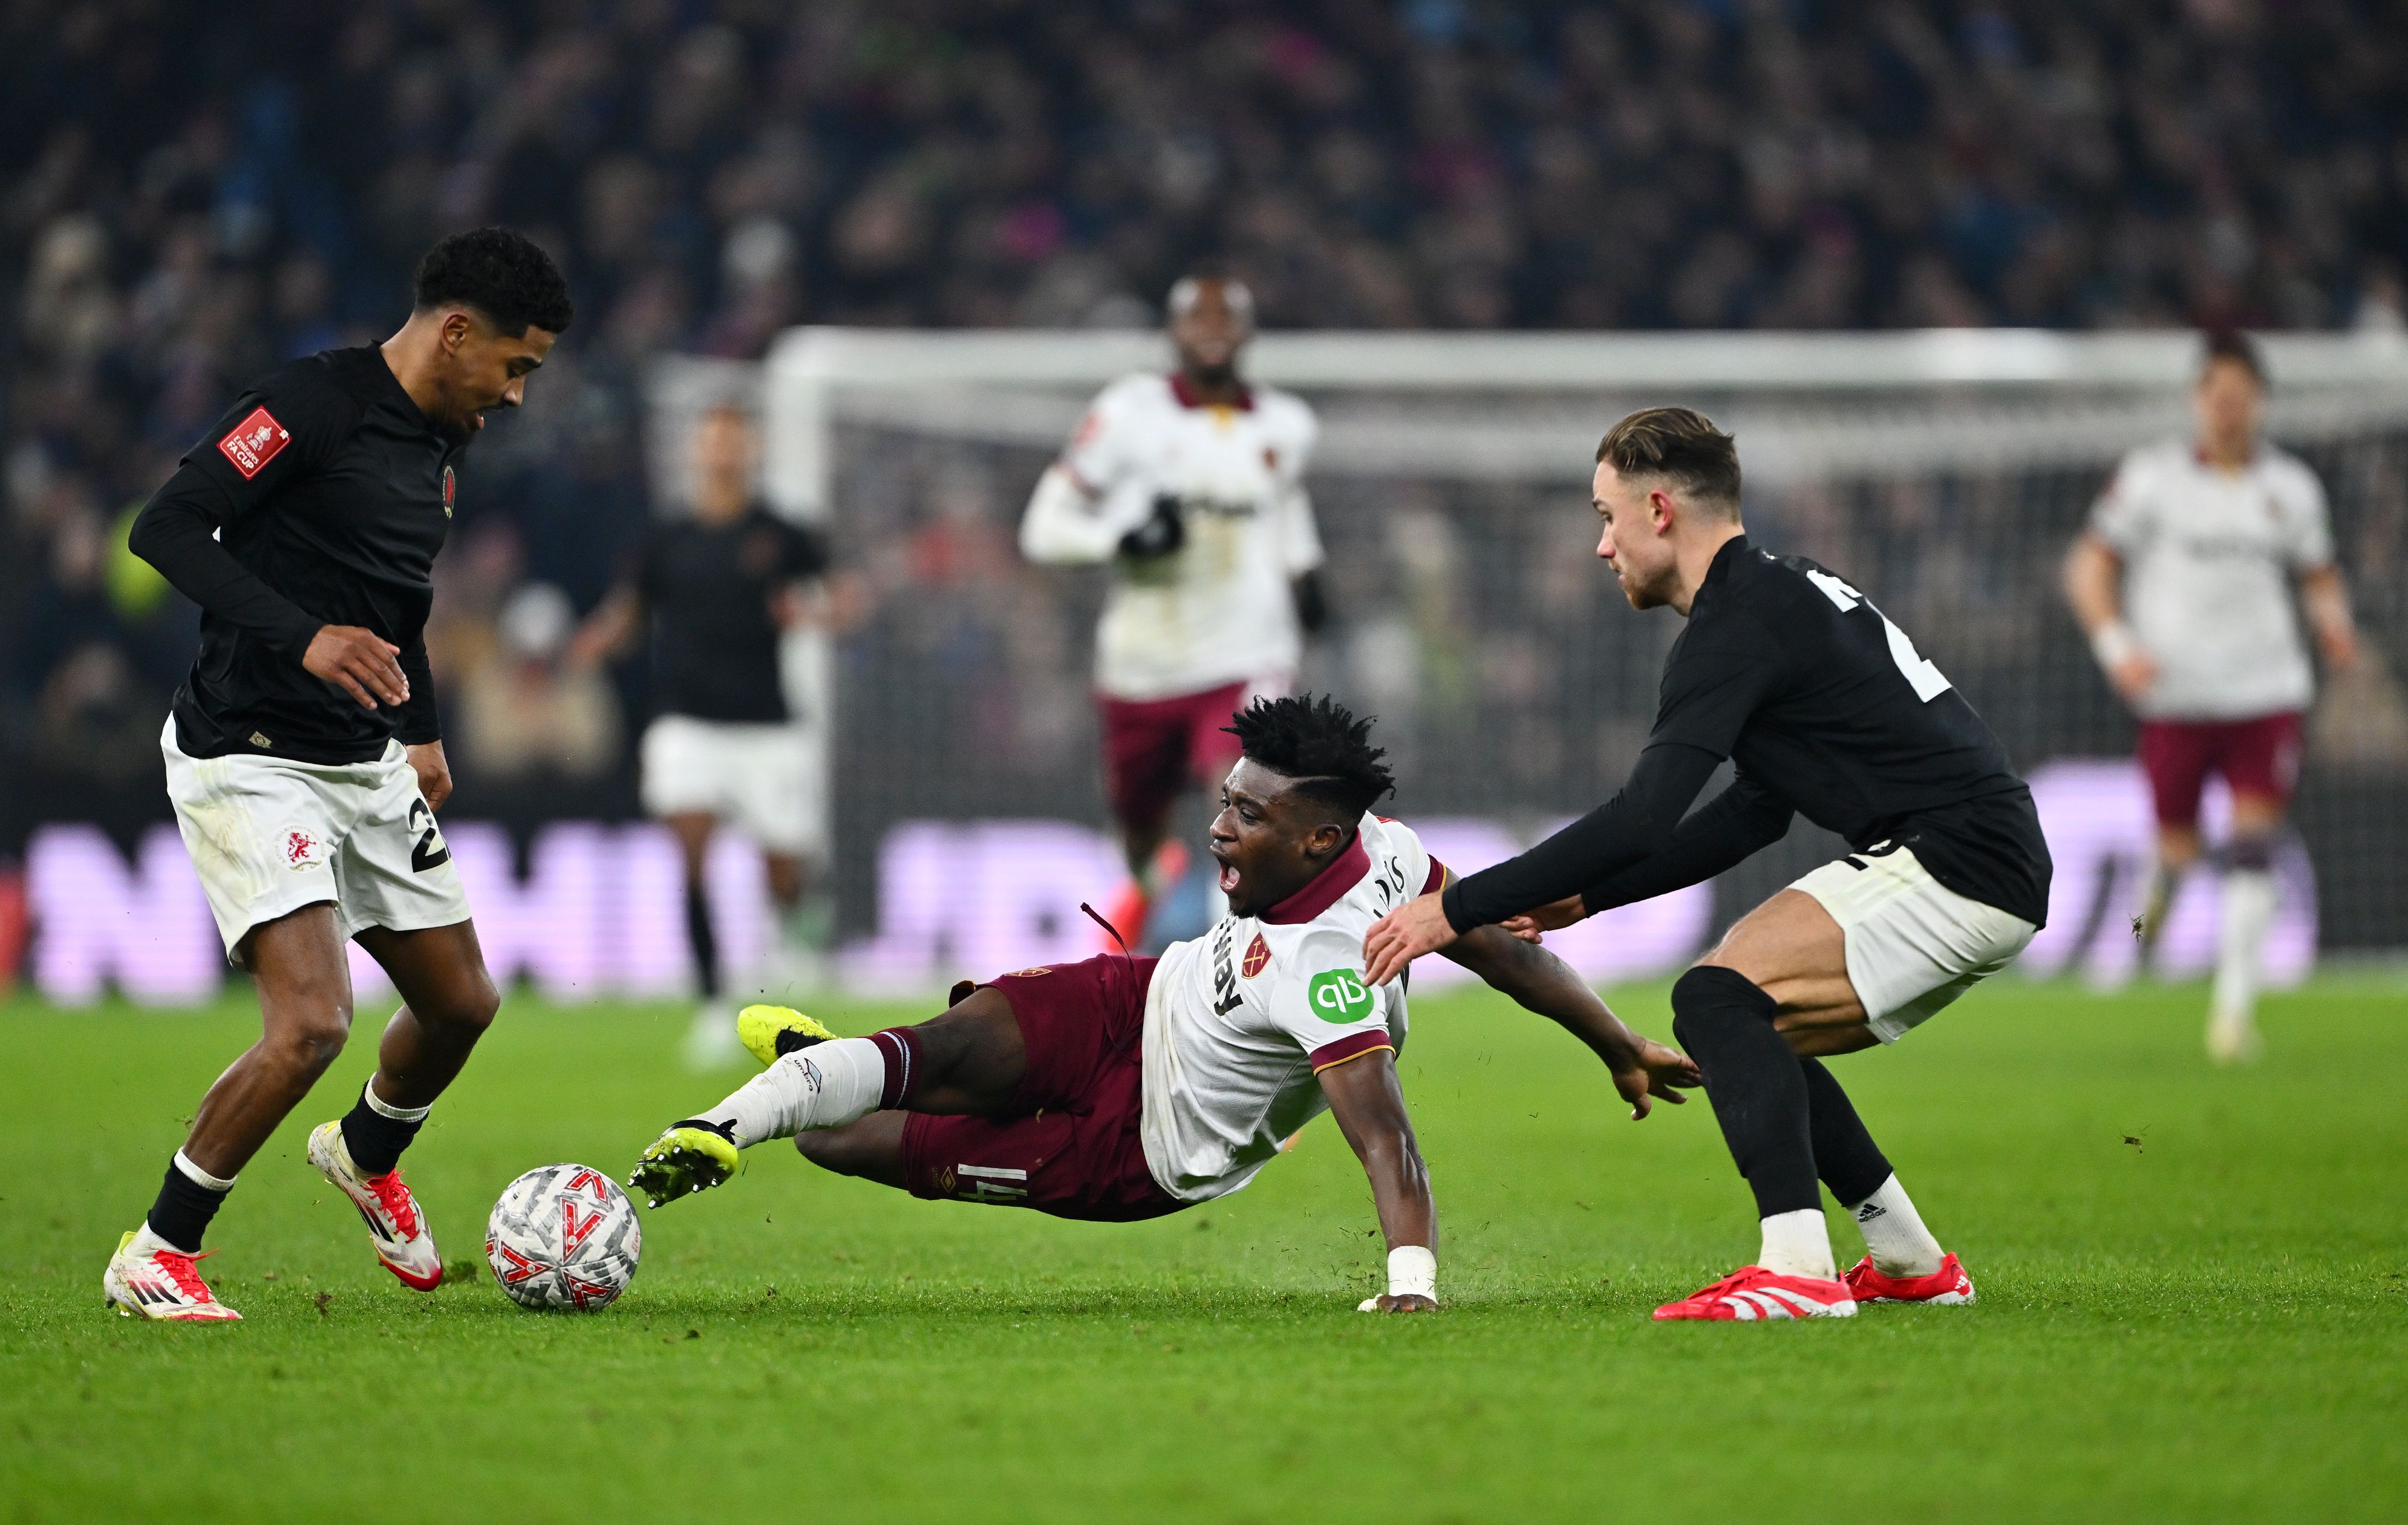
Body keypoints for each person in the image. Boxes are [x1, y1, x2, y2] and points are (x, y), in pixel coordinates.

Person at [628, 695, 1698, 1313]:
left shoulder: (1328, 967)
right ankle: (723, 1126)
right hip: (1141, 998)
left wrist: (1410, 1281)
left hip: (1140, 1148)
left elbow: (1385, 1138)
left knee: (846, 1141)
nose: (1222, 828)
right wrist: (1615, 1042)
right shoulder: (1387, 851)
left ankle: (822, 1078)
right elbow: (1499, 942)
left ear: (1320, 840)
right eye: (1226, 800)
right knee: (939, 1041)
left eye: (1250, 814)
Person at [1362, 408, 2054, 1322]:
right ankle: (1908, 1261)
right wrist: (1594, 895)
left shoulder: (1737, 623)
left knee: (1718, 999)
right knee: (1749, 1024)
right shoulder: (1780, 592)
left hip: (1957, 856)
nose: (1602, 546)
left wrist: (1455, 909)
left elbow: (1645, 813)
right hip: (1978, 853)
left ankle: (1797, 1269)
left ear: (1659, 509)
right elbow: (1754, 810)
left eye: (1607, 517)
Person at [111, 228, 572, 1321]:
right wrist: (305, 635)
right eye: (516, 365)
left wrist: (420, 727)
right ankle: (159, 1251)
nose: (515, 395)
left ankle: (366, 1153)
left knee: (461, 1003)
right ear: (456, 332)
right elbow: (165, 528)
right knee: (314, 1022)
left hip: (362, 755)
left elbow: (396, 601)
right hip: (248, 752)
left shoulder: (439, 445)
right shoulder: (309, 403)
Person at [2063, 331, 2359, 1063]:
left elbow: (2318, 574)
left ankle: (2233, 1012)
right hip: (2176, 699)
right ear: (2199, 399)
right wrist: (2117, 649)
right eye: (2216, 393)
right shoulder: (2152, 478)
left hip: (2265, 693)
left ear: (2259, 402)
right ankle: (2155, 902)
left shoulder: (2291, 489)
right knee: (2177, 850)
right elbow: (2087, 568)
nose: (2228, 408)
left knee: (2255, 845)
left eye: (2241, 395)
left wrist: (2334, 626)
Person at [1017, 276, 1328, 951]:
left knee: (1246, 792)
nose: (1212, 327)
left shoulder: (1286, 424)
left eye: (1227, 315)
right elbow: (1042, 527)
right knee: (1139, 830)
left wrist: (1307, 571)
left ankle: (1230, 963)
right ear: (1173, 330)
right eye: (1197, 316)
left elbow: (1285, 505)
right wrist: (1119, 540)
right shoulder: (1130, 413)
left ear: (1247, 332)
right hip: (1145, 661)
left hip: (1248, 650)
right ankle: (1152, 893)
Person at [572, 403, 848, 1066]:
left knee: (784, 873)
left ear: (749, 450)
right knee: (690, 850)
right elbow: (632, 609)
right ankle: (711, 1005)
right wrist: (599, 639)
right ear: (699, 452)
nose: (722, 454)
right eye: (713, 442)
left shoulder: (783, 534)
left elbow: (842, 598)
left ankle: (795, 939)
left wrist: (808, 611)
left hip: (765, 725)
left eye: (733, 441)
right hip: (686, 721)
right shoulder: (668, 536)